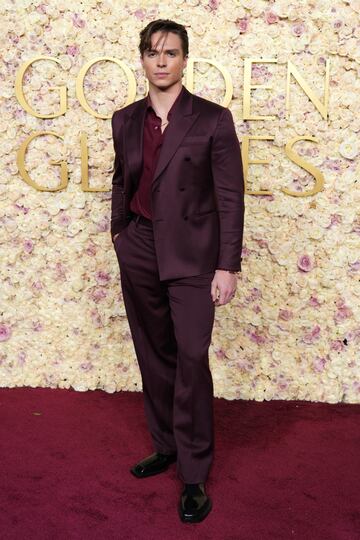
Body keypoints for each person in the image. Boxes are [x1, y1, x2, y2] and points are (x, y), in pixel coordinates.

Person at [110, 19, 245, 523]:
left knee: (190, 358)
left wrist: (226, 265)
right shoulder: (125, 119)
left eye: (170, 52)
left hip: (193, 256)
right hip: (140, 246)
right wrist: (120, 235)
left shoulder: (212, 119)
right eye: (152, 52)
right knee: (153, 353)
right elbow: (122, 183)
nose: (161, 60)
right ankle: (165, 445)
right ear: (141, 60)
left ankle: (193, 474)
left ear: (185, 59)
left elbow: (231, 198)